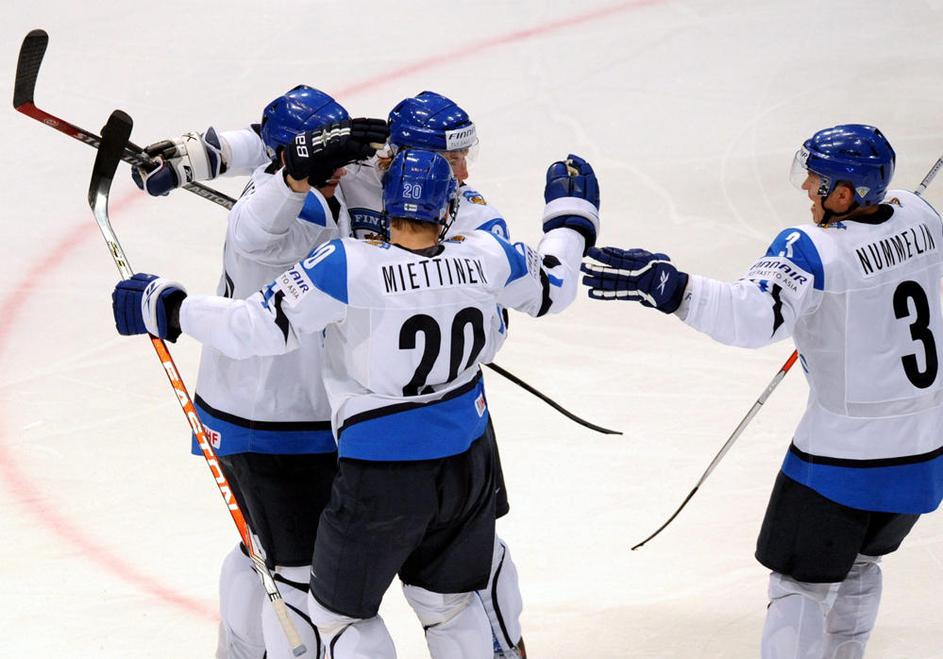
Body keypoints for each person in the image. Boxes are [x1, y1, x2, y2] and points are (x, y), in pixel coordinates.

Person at [111, 147, 600, 657]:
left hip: (382, 477)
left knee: (337, 617)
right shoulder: (490, 254)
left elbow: (256, 327)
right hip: (467, 466)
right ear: (447, 206)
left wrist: (168, 307)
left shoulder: (349, 264)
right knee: (452, 606)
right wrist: (570, 222)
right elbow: (554, 286)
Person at [581, 124, 943, 659]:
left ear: (844, 194)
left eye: (816, 179)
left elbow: (751, 317)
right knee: (862, 562)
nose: (807, 188)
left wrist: (672, 287)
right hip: (925, 450)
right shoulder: (923, 216)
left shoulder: (813, 249)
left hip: (842, 458)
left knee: (799, 584)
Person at [132, 85, 388, 659]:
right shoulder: (275, 216)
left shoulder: (297, 175)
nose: (339, 170)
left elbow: (262, 142)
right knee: (298, 577)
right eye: (323, 160)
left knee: (258, 553)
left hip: (238, 410)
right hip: (280, 425)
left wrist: (199, 155)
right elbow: (261, 221)